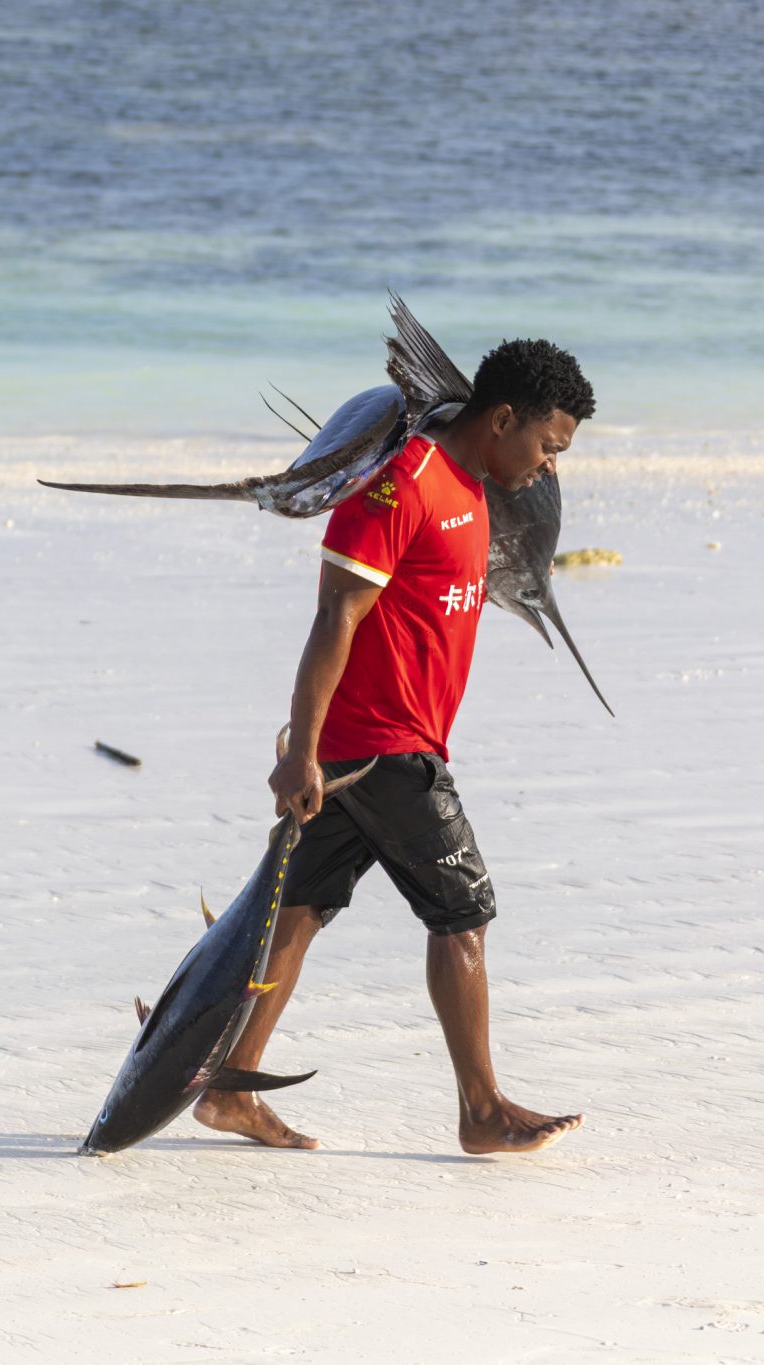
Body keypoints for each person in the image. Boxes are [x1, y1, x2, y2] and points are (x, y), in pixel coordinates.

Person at [193, 338, 595, 1154]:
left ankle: (231, 1086)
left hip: (377, 745)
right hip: (384, 748)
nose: (550, 466)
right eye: (548, 445)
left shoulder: (475, 485)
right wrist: (301, 749)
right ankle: (482, 1110)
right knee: (463, 914)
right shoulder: (401, 483)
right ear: (503, 419)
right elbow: (334, 614)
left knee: (299, 911)